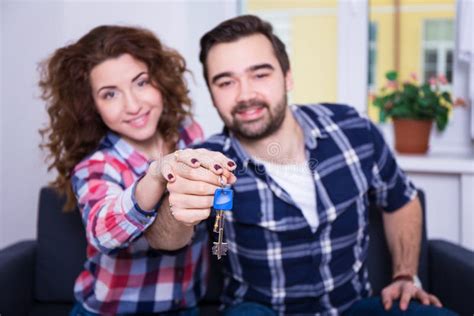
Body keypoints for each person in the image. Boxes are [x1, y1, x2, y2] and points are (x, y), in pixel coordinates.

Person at [192, 15, 456, 315]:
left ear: (287, 76)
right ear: (212, 96)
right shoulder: (204, 163)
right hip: (261, 310)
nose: (245, 94)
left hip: (352, 307)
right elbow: (170, 238)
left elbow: (402, 199)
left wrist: (405, 275)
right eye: (226, 82)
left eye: (260, 75)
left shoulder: (352, 130)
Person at [39, 25, 236, 315]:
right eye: (110, 95)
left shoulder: (189, 135)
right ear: (91, 106)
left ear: (160, 80)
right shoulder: (95, 165)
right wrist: (156, 175)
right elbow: (103, 234)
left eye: (141, 83)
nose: (133, 105)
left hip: (186, 306)